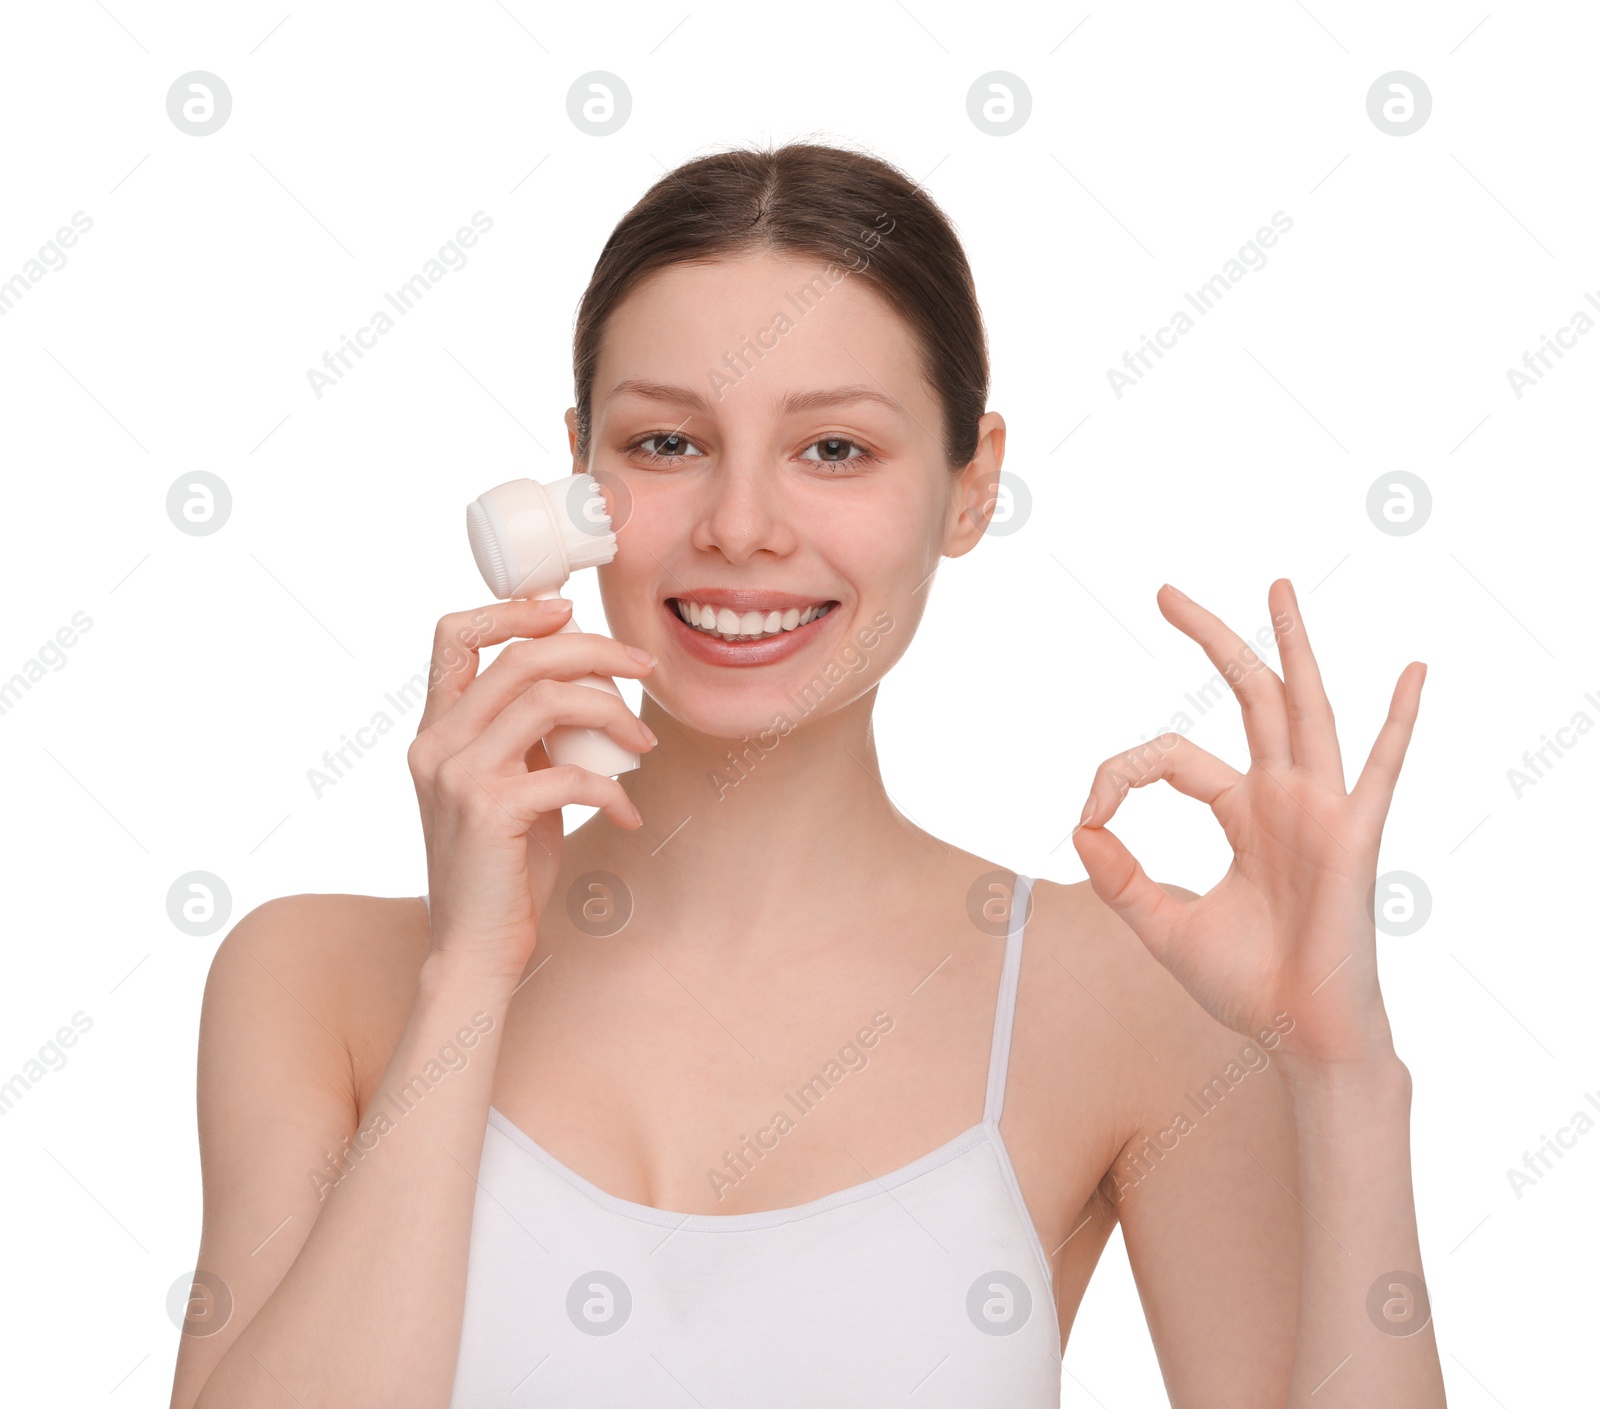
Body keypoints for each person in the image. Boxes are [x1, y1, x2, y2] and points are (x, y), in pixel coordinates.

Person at [169, 140, 1445, 1408]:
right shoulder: (316, 982)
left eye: (834, 450)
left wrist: (1343, 1075)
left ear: (970, 485)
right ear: (580, 473)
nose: (739, 525)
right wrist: (464, 983)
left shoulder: (1122, 994)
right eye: (667, 443)